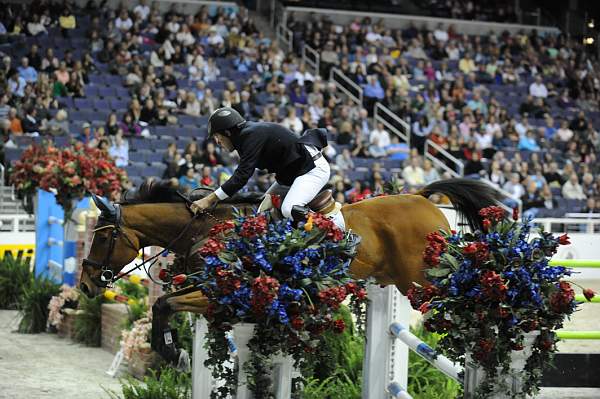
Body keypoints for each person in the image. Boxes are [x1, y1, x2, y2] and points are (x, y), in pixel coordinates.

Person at [190, 107, 330, 225]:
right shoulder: (245, 137)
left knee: (289, 208)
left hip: (312, 169)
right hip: (293, 175)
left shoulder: (250, 135)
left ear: (227, 132)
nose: (217, 142)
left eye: (217, 136)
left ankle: (331, 232)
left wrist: (208, 200)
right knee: (262, 212)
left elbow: (241, 177)